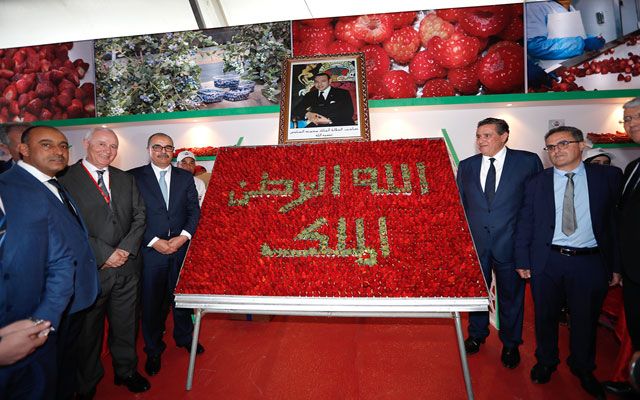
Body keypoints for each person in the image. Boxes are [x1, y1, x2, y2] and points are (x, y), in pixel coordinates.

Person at [515, 126, 622, 400]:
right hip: (547, 260)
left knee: (585, 319)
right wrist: (522, 258)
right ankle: (546, 360)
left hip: (590, 261)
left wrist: (616, 265)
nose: (556, 151)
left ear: (582, 145)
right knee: (545, 316)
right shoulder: (536, 182)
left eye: (563, 144)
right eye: (551, 147)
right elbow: (525, 222)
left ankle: (583, 367)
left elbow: (615, 224)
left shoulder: (608, 177)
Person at [0, 126, 100, 400]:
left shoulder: (52, 183)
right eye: (46, 144)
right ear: (23, 149)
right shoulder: (12, 188)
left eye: (63, 145)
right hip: (32, 313)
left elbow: (64, 250)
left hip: (67, 302)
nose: (58, 151)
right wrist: (40, 319)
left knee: (63, 370)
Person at [58, 128, 149, 399]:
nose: (107, 151)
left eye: (113, 146)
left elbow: (140, 215)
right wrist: (104, 254)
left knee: (127, 325)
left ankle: (126, 371)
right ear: (86, 143)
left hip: (127, 267)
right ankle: (87, 383)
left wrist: (125, 250)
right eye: (101, 144)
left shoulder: (125, 178)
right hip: (91, 270)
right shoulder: (65, 178)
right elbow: (67, 224)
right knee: (89, 332)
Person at [457, 117, 543, 369]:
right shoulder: (467, 165)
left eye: (487, 135)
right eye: (478, 136)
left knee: (511, 297)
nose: (481, 140)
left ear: (504, 136)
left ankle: (510, 343)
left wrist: (531, 244)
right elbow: (462, 205)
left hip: (513, 244)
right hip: (477, 244)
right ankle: (476, 334)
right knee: (477, 294)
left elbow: (537, 204)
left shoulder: (527, 162)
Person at [129, 133, 201, 378]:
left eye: (168, 147)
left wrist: (183, 237)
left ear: (173, 151)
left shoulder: (185, 177)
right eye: (157, 147)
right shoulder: (133, 177)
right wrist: (153, 241)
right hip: (151, 251)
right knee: (152, 303)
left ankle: (184, 337)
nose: (163, 151)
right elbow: (130, 214)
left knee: (181, 299)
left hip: (181, 249)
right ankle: (153, 349)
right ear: (149, 149)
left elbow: (193, 210)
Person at [613, 96, 640, 396]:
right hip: (633, 270)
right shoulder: (633, 166)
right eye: (627, 119)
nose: (630, 124)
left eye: (635, 117)